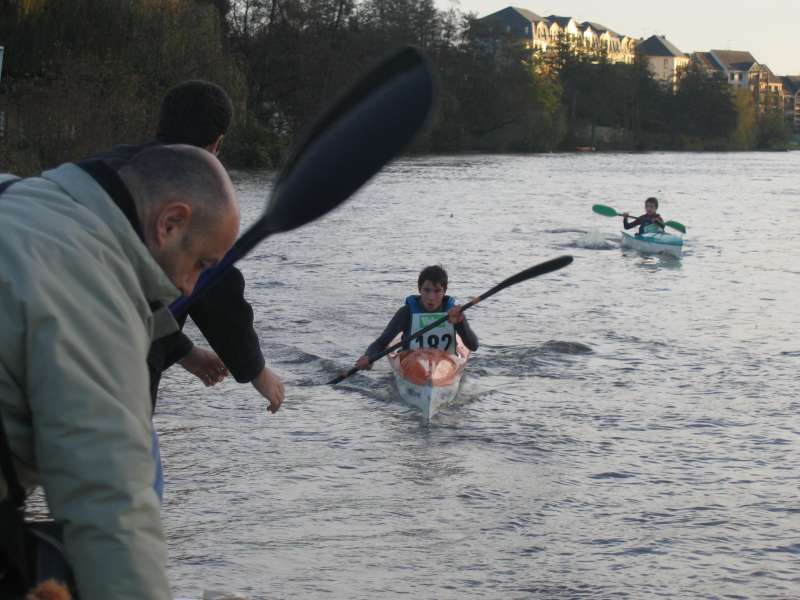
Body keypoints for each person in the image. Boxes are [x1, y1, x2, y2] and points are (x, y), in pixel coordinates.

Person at [0, 145, 239, 599]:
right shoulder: (93, 300)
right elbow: (110, 511)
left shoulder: (21, 200)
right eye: (200, 265)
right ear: (170, 223)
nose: (189, 286)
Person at [85, 80, 285, 414]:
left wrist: (183, 352)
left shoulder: (102, 165)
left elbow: (130, 293)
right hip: (100, 374)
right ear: (217, 144)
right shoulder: (187, 192)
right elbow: (214, 285)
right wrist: (256, 370)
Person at [354, 265, 479, 370]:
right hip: (412, 364)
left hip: (445, 365)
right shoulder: (406, 313)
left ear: (444, 291)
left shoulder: (453, 313)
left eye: (437, 291)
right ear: (419, 289)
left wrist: (461, 323)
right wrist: (369, 357)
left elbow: (473, 346)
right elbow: (382, 342)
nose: (431, 297)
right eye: (427, 290)